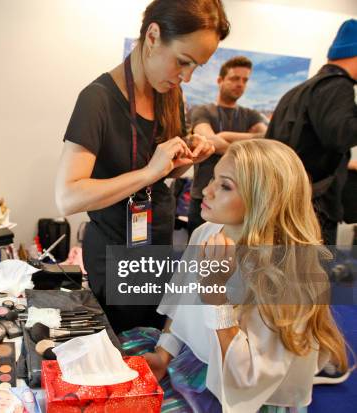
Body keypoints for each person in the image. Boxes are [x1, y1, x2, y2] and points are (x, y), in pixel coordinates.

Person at [119, 139, 350, 412]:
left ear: (264, 200)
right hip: (198, 360)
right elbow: (181, 304)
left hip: (244, 392)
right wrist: (163, 353)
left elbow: (246, 380)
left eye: (225, 185)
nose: (205, 190)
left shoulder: (285, 275)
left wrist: (217, 298)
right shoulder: (206, 233)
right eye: (213, 179)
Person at [55, 0, 227, 334]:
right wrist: (149, 172)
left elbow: (160, 173)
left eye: (197, 68)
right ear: (152, 36)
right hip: (117, 251)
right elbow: (68, 196)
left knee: (153, 344)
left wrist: (183, 162)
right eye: (183, 61)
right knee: (124, 351)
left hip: (157, 243)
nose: (187, 78)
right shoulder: (97, 100)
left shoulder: (170, 94)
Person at [266, 18, 357, 245]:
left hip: (285, 202)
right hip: (312, 209)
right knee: (311, 278)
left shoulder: (300, 90)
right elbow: (341, 136)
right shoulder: (338, 86)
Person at [187, 56, 268, 235]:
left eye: (244, 80)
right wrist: (248, 143)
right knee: (198, 254)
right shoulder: (203, 111)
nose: (240, 84)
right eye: (234, 78)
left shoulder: (251, 115)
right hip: (204, 195)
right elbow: (209, 140)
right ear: (220, 80)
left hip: (239, 204)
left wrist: (225, 136)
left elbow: (266, 141)